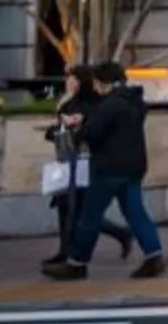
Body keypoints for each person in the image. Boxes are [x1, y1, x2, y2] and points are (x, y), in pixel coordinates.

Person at [43, 62, 164, 280]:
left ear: (104, 82)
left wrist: (78, 127)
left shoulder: (110, 105)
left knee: (89, 216)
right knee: (136, 212)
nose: (96, 87)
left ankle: (77, 263)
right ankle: (154, 255)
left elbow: (92, 132)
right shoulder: (135, 102)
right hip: (134, 165)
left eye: (98, 82)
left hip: (108, 167)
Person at [43, 65, 132, 265]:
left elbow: (93, 128)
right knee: (65, 207)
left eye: (72, 78)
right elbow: (59, 128)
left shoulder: (91, 104)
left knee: (81, 211)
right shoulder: (68, 101)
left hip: (84, 160)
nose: (68, 82)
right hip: (67, 158)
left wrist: (76, 124)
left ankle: (118, 235)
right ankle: (65, 250)